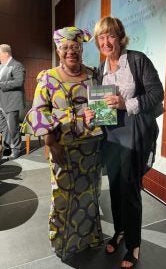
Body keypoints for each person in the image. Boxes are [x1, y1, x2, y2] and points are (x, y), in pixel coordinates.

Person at [84, 16, 164, 268]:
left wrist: (125, 103)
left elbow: (157, 93)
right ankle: (119, 231)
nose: (106, 42)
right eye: (101, 37)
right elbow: (98, 105)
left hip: (134, 131)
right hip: (110, 135)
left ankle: (134, 244)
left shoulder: (137, 60)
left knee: (130, 189)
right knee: (115, 187)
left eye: (110, 36)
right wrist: (91, 114)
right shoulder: (99, 70)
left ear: (119, 37)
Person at [21, 26, 104, 260]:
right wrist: (50, 142)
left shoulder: (92, 74)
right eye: (65, 48)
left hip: (90, 147)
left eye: (75, 47)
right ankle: (63, 244)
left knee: (90, 193)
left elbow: (102, 109)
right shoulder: (48, 77)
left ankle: (90, 238)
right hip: (62, 147)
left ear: (81, 49)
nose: (71, 52)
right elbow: (38, 111)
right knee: (63, 196)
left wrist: (99, 113)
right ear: (58, 50)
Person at [0, 44, 26, 160]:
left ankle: (17, 149)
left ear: (6, 53)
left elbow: (19, 82)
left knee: (12, 128)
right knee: (4, 128)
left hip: (11, 102)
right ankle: (7, 148)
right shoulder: (1, 67)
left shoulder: (17, 65)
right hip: (1, 102)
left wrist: (1, 85)